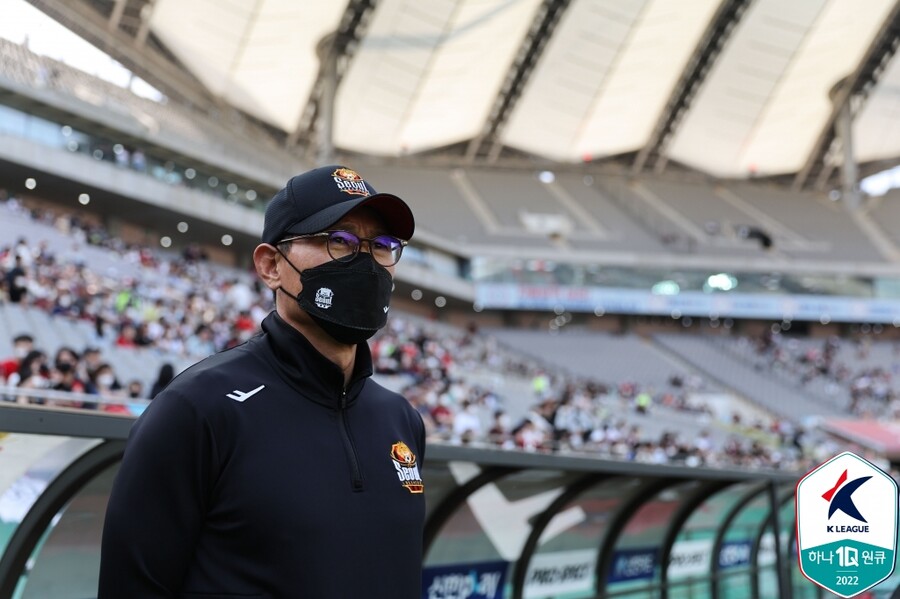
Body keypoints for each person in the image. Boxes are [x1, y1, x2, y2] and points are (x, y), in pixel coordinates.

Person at [99, 165, 425, 598]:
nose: (365, 261)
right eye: (339, 240)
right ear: (271, 265)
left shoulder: (401, 418)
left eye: (382, 246)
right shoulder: (197, 409)